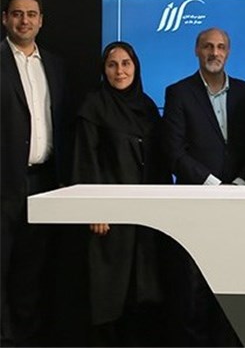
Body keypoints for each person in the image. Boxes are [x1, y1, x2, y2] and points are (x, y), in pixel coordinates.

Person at [162, 27, 245, 346]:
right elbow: (173, 151)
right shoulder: (179, 93)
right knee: (193, 288)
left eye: (221, 47)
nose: (214, 52)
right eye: (208, 46)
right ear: (197, 50)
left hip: (238, 203)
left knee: (234, 283)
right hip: (196, 204)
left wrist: (238, 184)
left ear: (228, 52)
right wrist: (213, 184)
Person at [72, 41, 171, 346]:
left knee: (144, 292)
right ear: (103, 70)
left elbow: (159, 162)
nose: (119, 71)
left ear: (135, 67)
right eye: (112, 65)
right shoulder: (94, 106)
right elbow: (85, 160)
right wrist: (95, 210)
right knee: (110, 294)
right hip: (110, 220)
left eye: (126, 64)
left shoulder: (147, 107)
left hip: (144, 218)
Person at [1, 0, 66, 346]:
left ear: (41, 21)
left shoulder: (54, 65)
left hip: (43, 183)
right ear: (5, 19)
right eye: (17, 13)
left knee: (31, 271)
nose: (24, 20)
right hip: (3, 184)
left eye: (31, 14)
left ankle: (24, 339)